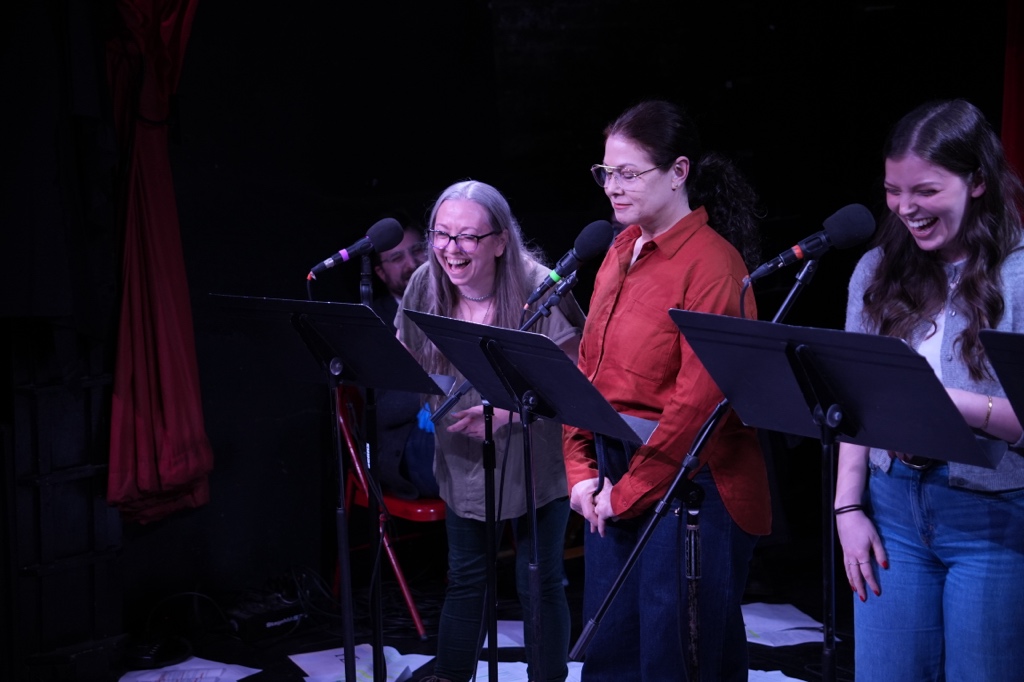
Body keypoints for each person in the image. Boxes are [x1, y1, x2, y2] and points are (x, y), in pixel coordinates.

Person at [562, 100, 771, 681]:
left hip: (689, 485)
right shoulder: (619, 250)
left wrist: (626, 494)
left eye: (629, 173)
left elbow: (697, 408)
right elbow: (588, 370)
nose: (612, 187)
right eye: (606, 172)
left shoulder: (714, 266)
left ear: (678, 172)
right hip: (614, 475)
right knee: (610, 654)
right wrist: (580, 472)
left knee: (675, 659)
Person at [834, 99, 1024, 681]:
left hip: (992, 515)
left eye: (926, 190)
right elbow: (855, 398)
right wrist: (847, 507)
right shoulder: (876, 270)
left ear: (978, 182)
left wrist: (949, 404)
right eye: (894, 191)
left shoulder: (1018, 275)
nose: (906, 208)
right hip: (892, 508)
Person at [396, 180, 586, 682]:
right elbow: (406, 350)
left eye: (466, 237)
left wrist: (507, 413)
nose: (450, 249)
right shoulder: (424, 282)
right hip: (463, 455)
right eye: (441, 234)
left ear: (500, 241)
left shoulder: (539, 285)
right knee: (466, 577)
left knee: (539, 580)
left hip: (534, 453)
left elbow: (574, 372)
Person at [366, 214, 437, 499]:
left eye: (417, 250)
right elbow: (383, 410)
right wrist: (445, 387)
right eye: (397, 258)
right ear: (381, 273)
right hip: (407, 443)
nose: (412, 264)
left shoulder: (457, 301)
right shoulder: (373, 324)